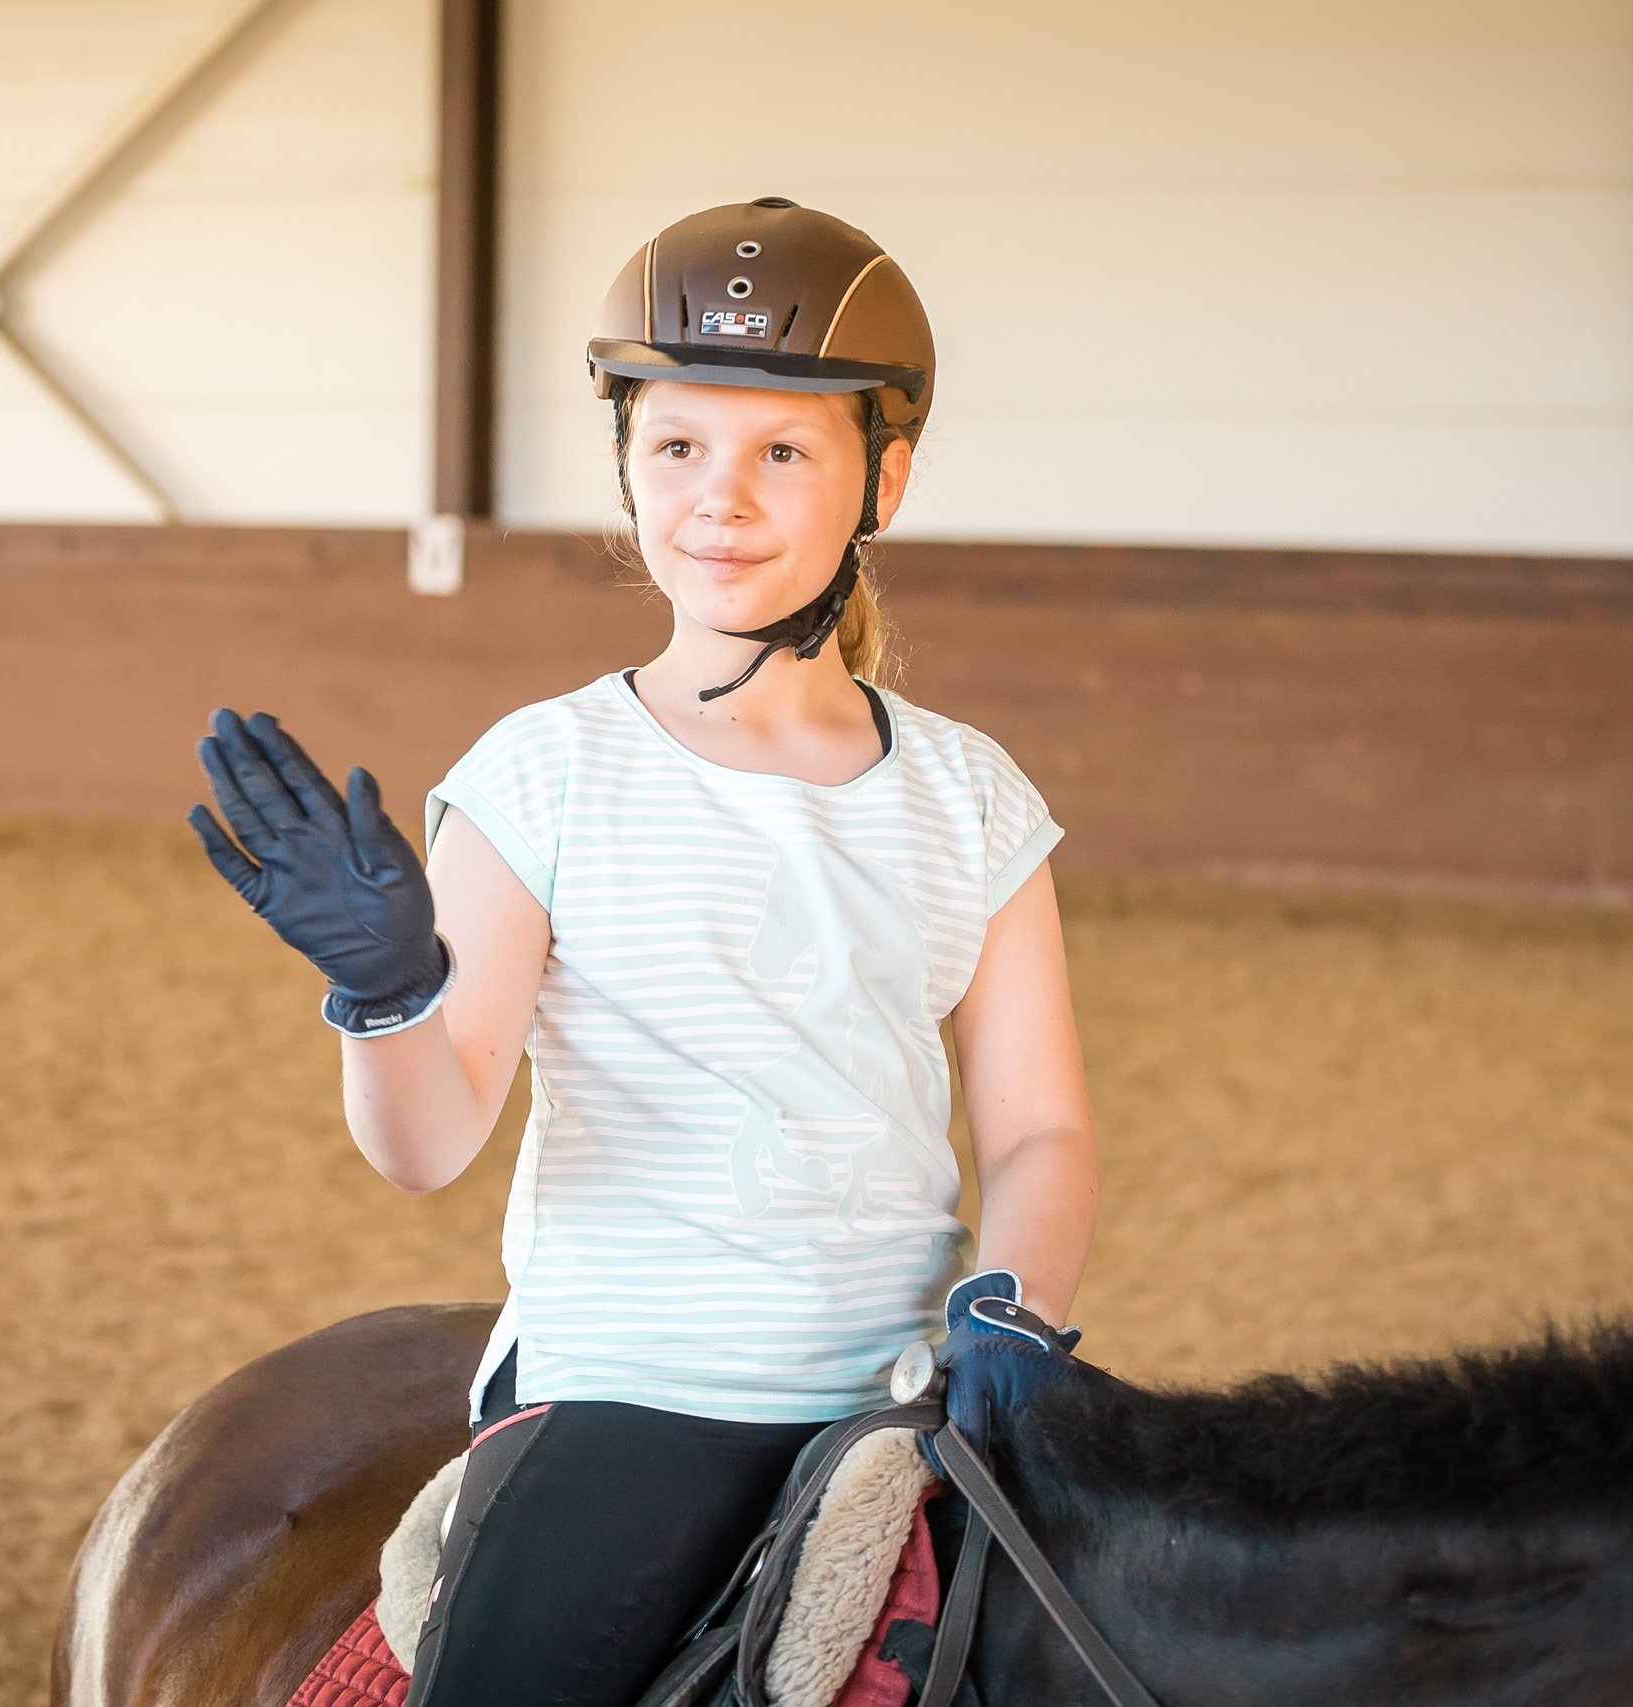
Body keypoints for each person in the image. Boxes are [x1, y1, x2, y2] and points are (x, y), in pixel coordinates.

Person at [190, 199, 1099, 1706]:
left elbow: (1041, 1124)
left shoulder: (973, 795)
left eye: (781, 453)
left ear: (887, 478)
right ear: (626, 465)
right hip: (639, 1392)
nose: (718, 502)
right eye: (677, 447)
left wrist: (1011, 1303)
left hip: (909, 1393)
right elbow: (426, 1145)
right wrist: (386, 991)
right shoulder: (543, 775)